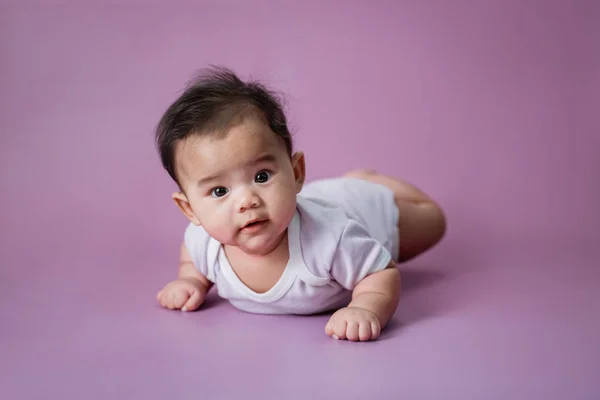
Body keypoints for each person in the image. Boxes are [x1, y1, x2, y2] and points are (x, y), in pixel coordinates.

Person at [154, 66, 446, 342]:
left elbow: (380, 272)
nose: (246, 201)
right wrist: (191, 281)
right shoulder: (202, 242)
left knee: (433, 221)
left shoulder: (331, 238)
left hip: (364, 209)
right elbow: (191, 256)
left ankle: (369, 180)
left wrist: (367, 308)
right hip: (320, 196)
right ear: (190, 209)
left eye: (261, 176)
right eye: (219, 191)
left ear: (295, 173)